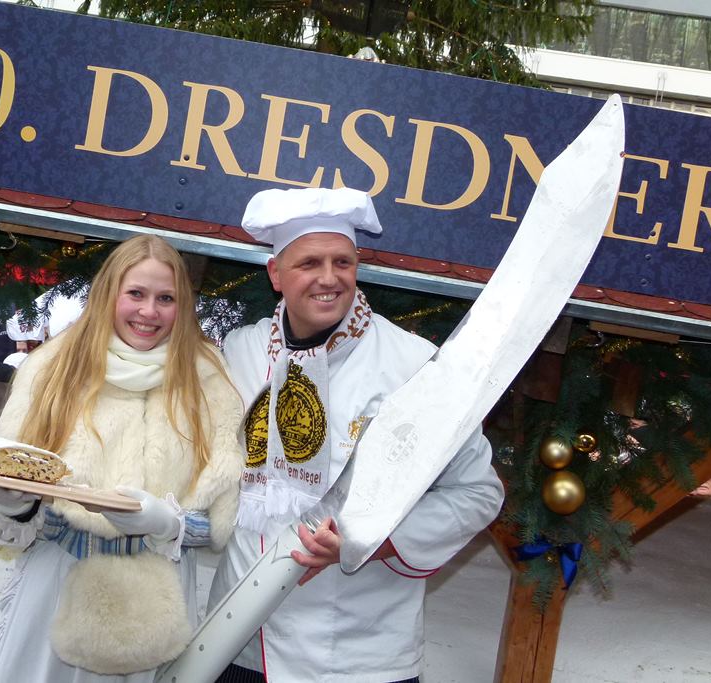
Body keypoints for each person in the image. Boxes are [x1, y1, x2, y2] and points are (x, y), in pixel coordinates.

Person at [208, 187, 505, 683]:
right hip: (237, 640)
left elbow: (478, 492)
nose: (329, 278)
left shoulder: (413, 366)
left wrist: (368, 538)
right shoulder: (243, 349)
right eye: (309, 263)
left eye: (342, 262)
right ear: (276, 274)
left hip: (353, 657)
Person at [0, 235, 244, 682]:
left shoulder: (210, 382)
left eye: (166, 299)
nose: (149, 312)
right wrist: (12, 503)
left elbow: (221, 516)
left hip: (154, 602)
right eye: (135, 294)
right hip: (55, 590)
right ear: (109, 294)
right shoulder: (53, 369)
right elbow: (14, 498)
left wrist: (167, 524)